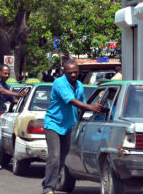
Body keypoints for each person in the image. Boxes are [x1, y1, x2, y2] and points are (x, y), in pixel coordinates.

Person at [41, 59, 103, 194]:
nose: (73, 75)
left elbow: (82, 104)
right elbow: (72, 101)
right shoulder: (59, 83)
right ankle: (49, 188)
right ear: (65, 72)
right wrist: (90, 107)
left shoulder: (80, 85)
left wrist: (98, 109)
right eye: (70, 73)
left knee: (62, 159)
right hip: (53, 124)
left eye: (75, 72)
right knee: (55, 157)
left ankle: (48, 180)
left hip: (68, 126)